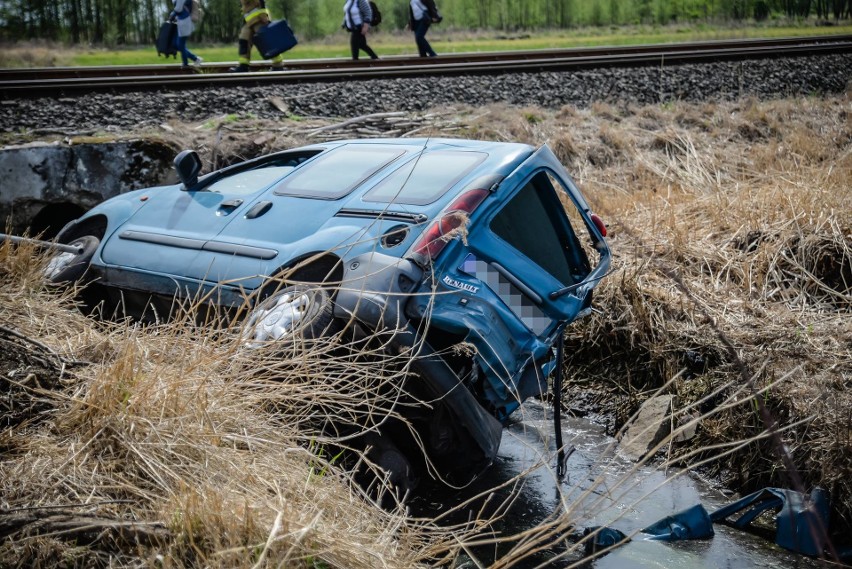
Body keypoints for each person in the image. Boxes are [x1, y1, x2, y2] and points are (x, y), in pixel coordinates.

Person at [230, 0, 283, 72]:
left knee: (266, 41)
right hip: (249, 20)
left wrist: (264, 13)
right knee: (244, 41)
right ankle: (243, 65)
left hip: (259, 18)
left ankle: (278, 65)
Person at [169, 0, 203, 68]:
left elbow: (178, 9)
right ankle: (194, 59)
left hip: (185, 22)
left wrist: (172, 15)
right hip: (181, 22)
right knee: (176, 44)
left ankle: (190, 61)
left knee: (180, 45)